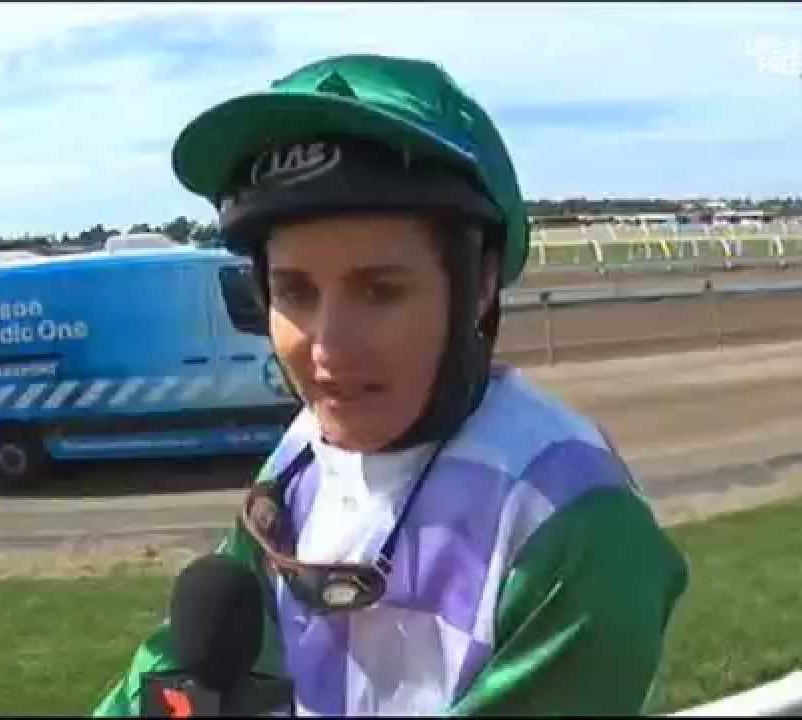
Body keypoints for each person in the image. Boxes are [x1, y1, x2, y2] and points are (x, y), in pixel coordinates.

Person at [92, 53, 689, 717]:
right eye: (294, 291)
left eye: (380, 290)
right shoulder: (298, 455)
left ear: (481, 283)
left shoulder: (579, 525)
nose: (326, 348)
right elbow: (189, 677)